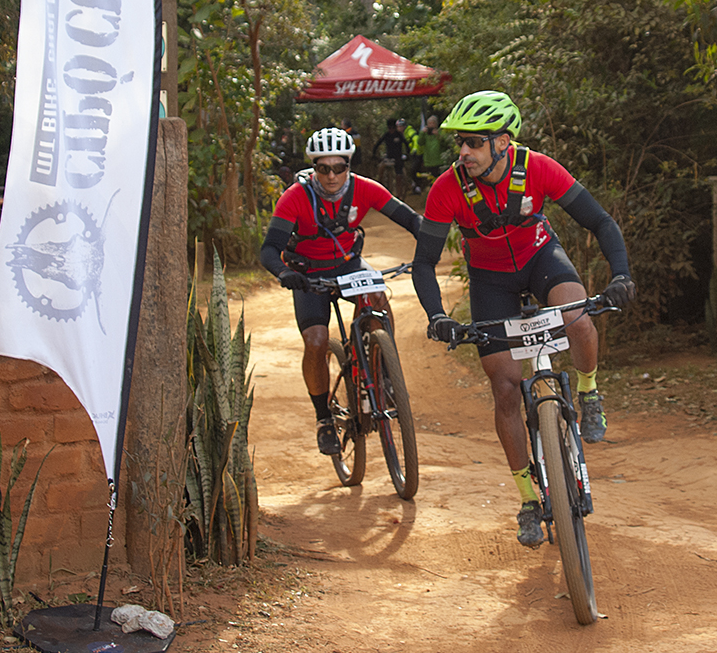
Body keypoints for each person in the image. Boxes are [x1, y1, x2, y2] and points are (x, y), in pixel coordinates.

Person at [411, 91, 636, 548]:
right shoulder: (447, 189)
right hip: (490, 279)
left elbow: (601, 222)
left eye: (473, 142)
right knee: (505, 388)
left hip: (540, 258)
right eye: (460, 143)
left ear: (503, 142)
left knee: (578, 318)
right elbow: (423, 263)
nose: (463, 152)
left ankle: (589, 393)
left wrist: (622, 276)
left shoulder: (538, 168)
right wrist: (437, 316)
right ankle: (529, 500)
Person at [261, 127, 421, 455]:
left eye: (339, 167)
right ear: (314, 167)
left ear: (349, 165)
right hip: (307, 275)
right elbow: (268, 249)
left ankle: (384, 368)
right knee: (316, 341)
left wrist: (430, 249)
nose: (332, 176)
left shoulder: (365, 189)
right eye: (323, 168)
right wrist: (284, 272)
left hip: (349, 266)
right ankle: (323, 418)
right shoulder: (295, 197)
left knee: (377, 295)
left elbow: (412, 220)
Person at [417, 114, 444, 179]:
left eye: (433, 123)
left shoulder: (440, 132)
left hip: (438, 161)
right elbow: (420, 142)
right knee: (430, 178)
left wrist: (438, 135)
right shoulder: (425, 134)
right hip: (428, 161)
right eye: (429, 123)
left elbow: (444, 144)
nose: (431, 125)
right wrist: (422, 133)